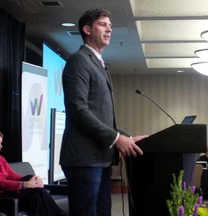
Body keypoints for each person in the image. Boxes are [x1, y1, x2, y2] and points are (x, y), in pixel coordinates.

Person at [60, 8, 147, 216]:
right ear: (87, 29)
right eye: (103, 24)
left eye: (110, 25)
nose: (109, 29)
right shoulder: (79, 61)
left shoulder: (100, 65)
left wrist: (128, 137)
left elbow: (102, 117)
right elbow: (77, 110)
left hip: (99, 158)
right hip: (83, 160)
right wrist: (116, 138)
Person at [0, 128, 66, 216]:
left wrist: (33, 180)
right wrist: (26, 184)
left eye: (1, 143)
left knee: (35, 195)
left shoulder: (0, 158)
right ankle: (59, 214)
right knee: (35, 189)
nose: (1, 146)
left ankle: (58, 214)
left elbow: (13, 176)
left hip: (6, 192)